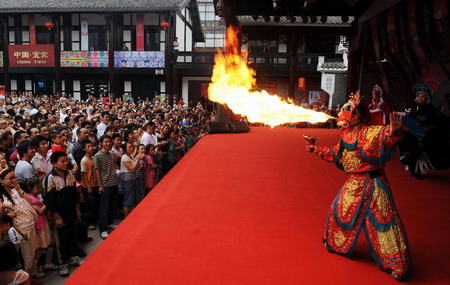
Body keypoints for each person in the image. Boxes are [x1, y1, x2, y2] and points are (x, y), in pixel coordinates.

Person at [305, 92, 411, 281]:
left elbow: (382, 136)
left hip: (374, 184)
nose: (342, 113)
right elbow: (337, 153)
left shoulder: (368, 131)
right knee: (338, 210)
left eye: (347, 110)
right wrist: (316, 149)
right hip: (354, 183)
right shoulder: (346, 133)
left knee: (384, 223)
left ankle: (397, 264)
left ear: (357, 116)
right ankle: (336, 244)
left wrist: (392, 132)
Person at [42, 152, 84, 277]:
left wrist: (77, 208)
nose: (66, 163)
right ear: (54, 164)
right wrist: (56, 216)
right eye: (62, 161)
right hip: (59, 213)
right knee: (61, 238)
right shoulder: (49, 178)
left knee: (73, 233)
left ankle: (72, 257)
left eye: (67, 160)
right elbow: (48, 200)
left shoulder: (69, 174)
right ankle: (62, 263)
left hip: (71, 210)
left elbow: (73, 193)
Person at [399, 83, 439, 178]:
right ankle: (407, 158)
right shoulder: (413, 108)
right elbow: (409, 119)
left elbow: (434, 123)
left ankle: (421, 166)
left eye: (423, 96)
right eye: (419, 96)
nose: (420, 98)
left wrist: (427, 128)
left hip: (425, 133)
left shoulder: (431, 109)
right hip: (412, 132)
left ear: (427, 98)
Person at [93, 135, 118, 240]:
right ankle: (103, 229)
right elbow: (97, 170)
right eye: (106, 142)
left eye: (109, 142)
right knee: (104, 207)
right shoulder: (97, 156)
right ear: (101, 143)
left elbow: (113, 166)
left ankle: (110, 222)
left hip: (114, 182)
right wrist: (100, 185)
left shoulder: (112, 154)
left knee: (112, 205)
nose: (108, 144)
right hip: (105, 185)